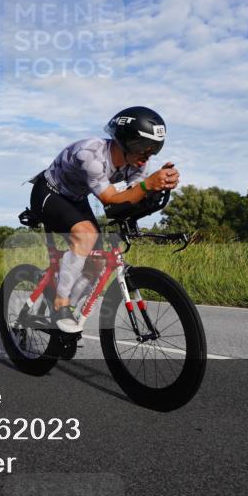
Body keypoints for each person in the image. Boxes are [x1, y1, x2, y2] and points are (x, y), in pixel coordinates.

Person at [29, 106, 179, 332]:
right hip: (49, 192)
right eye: (142, 148)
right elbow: (111, 199)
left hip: (77, 198)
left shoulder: (139, 163)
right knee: (86, 236)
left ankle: (68, 308)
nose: (146, 156)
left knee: (97, 262)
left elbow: (130, 198)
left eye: (153, 150)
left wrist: (158, 188)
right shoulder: (91, 155)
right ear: (124, 141)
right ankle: (60, 303)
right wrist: (149, 185)